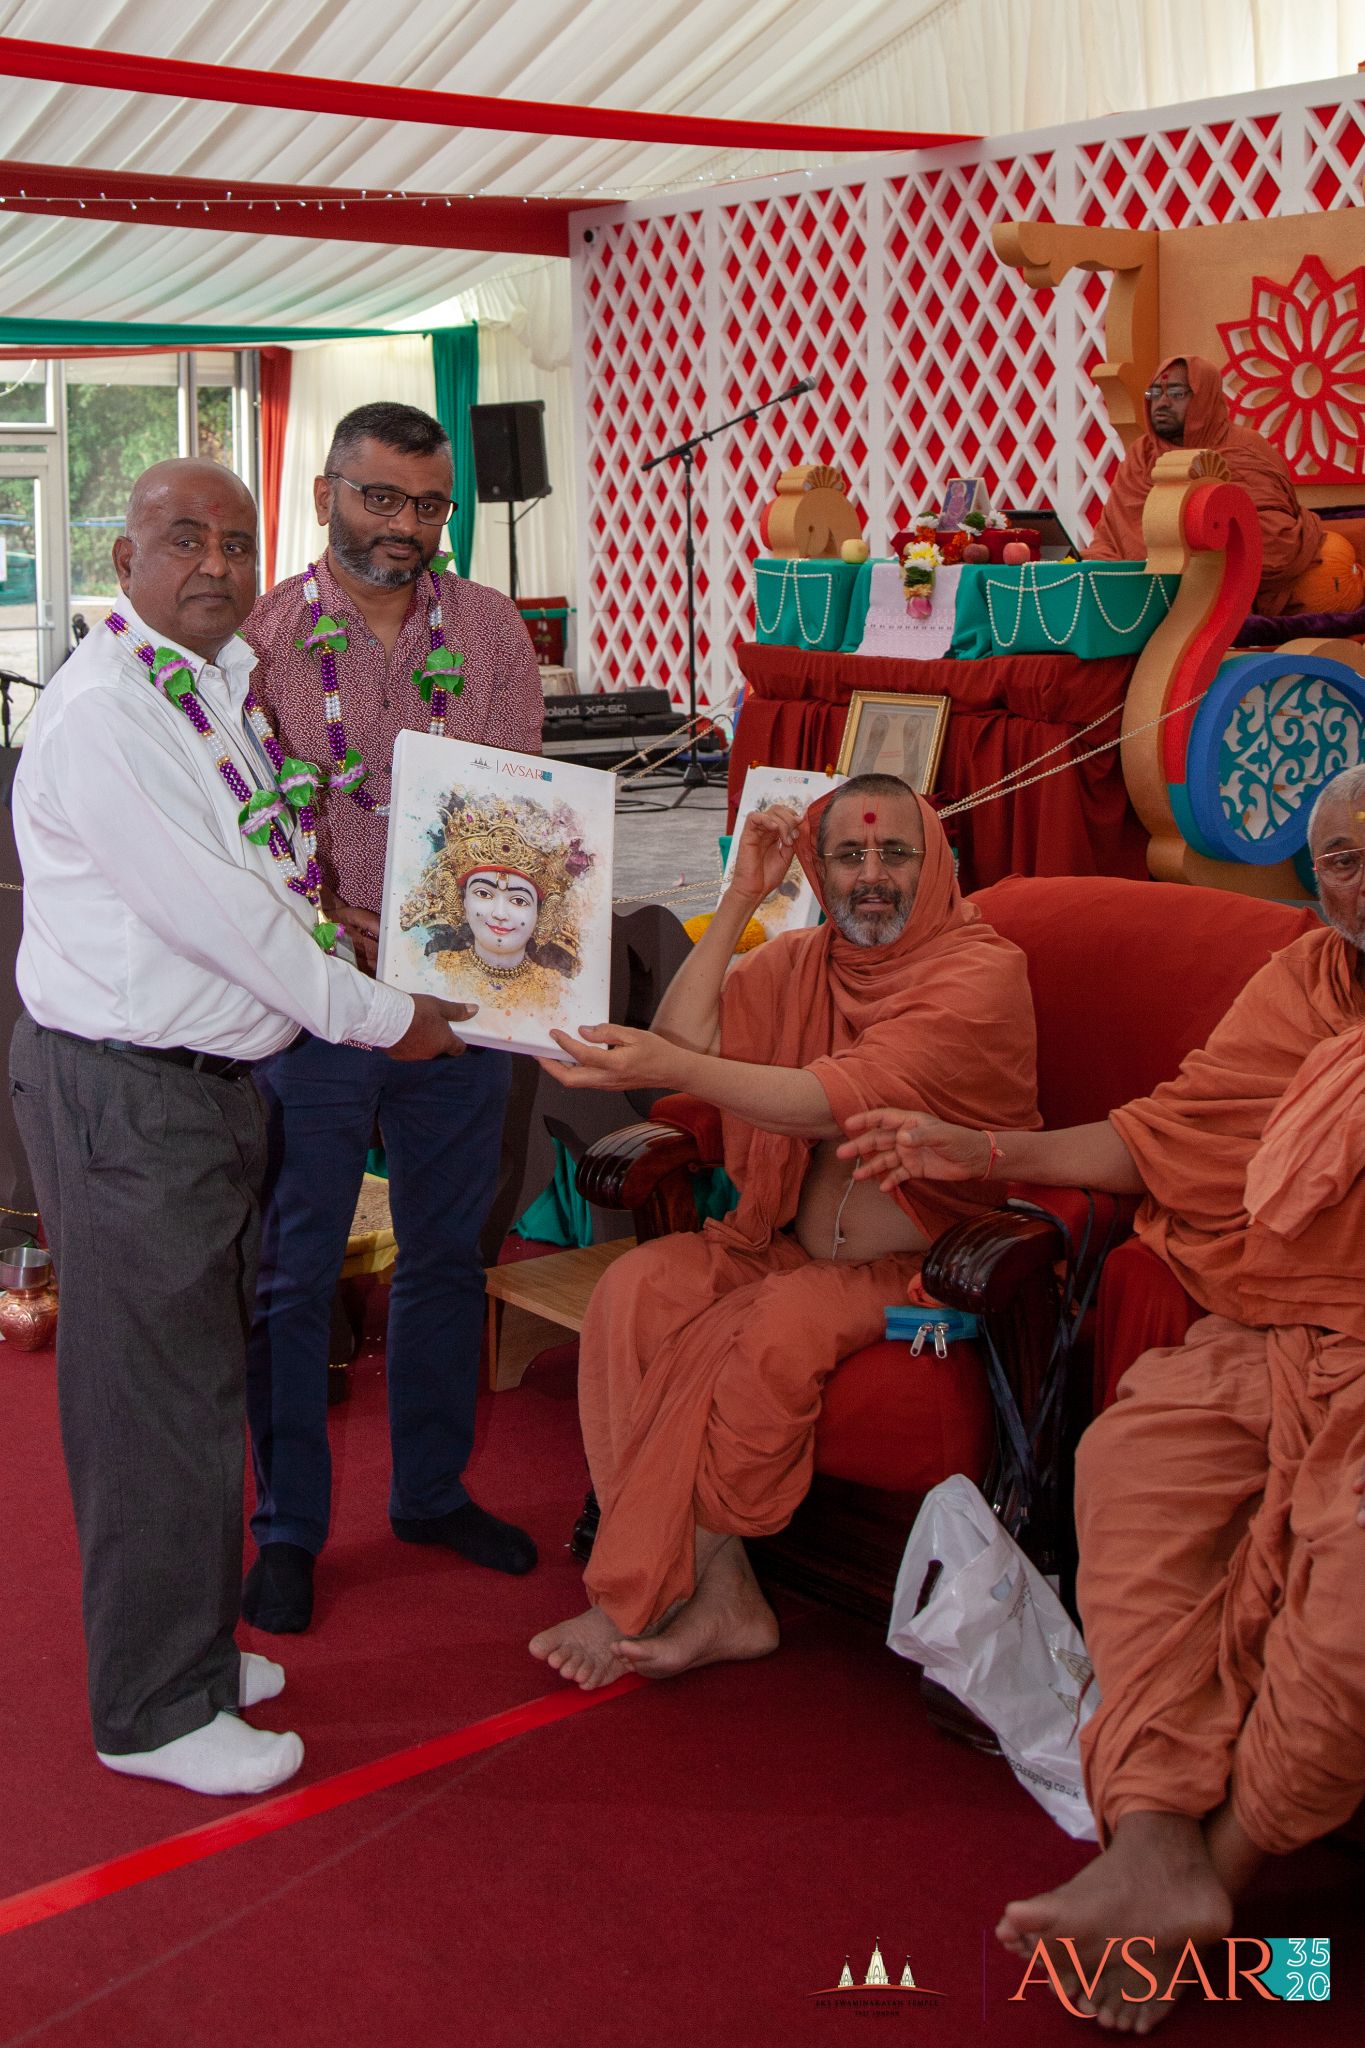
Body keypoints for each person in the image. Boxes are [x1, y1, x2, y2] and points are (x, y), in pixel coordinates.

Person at [838, 764, 1365, 2031]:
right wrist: (985, 1152)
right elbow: (1163, 1134)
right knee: (1133, 1464)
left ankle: (1204, 1863)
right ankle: (1154, 1833)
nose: (1362, 880)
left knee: (1347, 1585)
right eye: (1341, 859)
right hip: (1269, 1321)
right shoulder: (1305, 983)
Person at [9, 459, 473, 1796]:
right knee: (151, 1406)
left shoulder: (205, 682)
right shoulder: (107, 715)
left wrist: (354, 942)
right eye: (181, 539)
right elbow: (228, 923)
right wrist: (386, 1017)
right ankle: (154, 1709)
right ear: (124, 561)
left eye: (232, 539)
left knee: (201, 1384)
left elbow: (271, 876)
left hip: (196, 1090)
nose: (213, 562)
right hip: (128, 1094)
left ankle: (196, 1651)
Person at [527, 774, 1040, 1690]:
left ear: (935, 865)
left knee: (778, 1327)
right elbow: (683, 1034)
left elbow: (819, 1104)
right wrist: (739, 898)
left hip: (922, 1277)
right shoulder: (805, 961)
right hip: (784, 1244)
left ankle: (632, 1595)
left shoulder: (978, 971)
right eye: (848, 855)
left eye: (894, 853)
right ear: (819, 868)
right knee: (635, 1288)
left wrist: (674, 1064)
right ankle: (726, 1591)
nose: (871, 875)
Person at [240, 402, 545, 1634]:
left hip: (455, 1006)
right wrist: (343, 932)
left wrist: (432, 953)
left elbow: (513, 811)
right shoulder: (260, 635)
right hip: (316, 1000)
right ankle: (287, 1529)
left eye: (428, 504)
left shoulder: (491, 629)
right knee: (294, 1269)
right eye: (380, 498)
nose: (405, 525)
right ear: (326, 493)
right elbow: (247, 833)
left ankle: (429, 1490)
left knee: (446, 1255)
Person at [1087, 354, 1364, 616]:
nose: (1162, 403)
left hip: (1229, 597)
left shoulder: (1245, 448)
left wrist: (1198, 543)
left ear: (1205, 397)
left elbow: (1276, 542)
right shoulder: (1143, 454)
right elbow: (1114, 535)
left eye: (1177, 393)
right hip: (1139, 592)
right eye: (1155, 393)